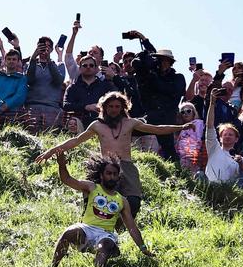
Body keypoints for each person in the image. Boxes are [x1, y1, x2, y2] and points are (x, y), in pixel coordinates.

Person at [35, 91, 189, 215]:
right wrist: (51, 151)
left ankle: (121, 227)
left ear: (123, 108)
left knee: (133, 201)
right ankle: (91, 225)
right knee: (94, 198)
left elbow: (157, 129)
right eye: (110, 106)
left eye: (117, 106)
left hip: (126, 165)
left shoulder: (130, 123)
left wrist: (181, 127)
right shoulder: (97, 125)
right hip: (105, 166)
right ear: (104, 108)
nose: (114, 109)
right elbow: (76, 140)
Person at [49, 152, 152, 267]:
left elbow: (132, 228)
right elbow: (67, 180)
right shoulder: (92, 187)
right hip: (86, 229)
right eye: (108, 173)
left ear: (118, 177)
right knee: (69, 232)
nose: (112, 177)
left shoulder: (122, 201)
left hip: (105, 234)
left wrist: (143, 248)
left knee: (106, 244)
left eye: (115, 174)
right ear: (102, 175)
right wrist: (62, 165)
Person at [127, 35, 186, 162]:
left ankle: (178, 174)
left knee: (169, 149)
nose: (163, 63)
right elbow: (143, 91)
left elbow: (170, 90)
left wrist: (152, 76)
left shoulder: (177, 78)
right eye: (160, 60)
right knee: (126, 129)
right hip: (151, 116)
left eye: (166, 60)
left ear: (170, 62)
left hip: (166, 118)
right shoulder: (151, 75)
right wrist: (142, 71)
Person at [203, 88, 243, 186]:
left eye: (231, 134)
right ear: (220, 138)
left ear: (236, 139)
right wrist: (212, 103)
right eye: (224, 134)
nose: (227, 136)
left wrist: (241, 164)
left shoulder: (240, 159)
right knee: (199, 175)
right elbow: (209, 126)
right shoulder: (214, 148)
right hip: (210, 187)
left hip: (227, 190)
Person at [63, 53, 117, 129]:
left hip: (102, 125)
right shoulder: (73, 87)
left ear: (96, 68)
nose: (88, 67)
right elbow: (66, 105)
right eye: (85, 65)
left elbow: (116, 101)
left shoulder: (105, 86)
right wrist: (85, 107)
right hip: (79, 127)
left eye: (91, 65)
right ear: (80, 68)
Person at [24, 36, 66, 129]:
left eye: (48, 46)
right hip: (32, 106)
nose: (45, 49)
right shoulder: (29, 64)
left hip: (52, 108)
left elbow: (58, 81)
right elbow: (29, 80)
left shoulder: (58, 66)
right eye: (42, 45)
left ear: (51, 50)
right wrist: (33, 59)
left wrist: (49, 61)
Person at [0, 49, 27, 115]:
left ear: (18, 61)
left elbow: (20, 96)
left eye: (14, 59)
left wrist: (5, 106)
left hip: (12, 114)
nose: (11, 61)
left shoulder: (21, 78)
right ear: (5, 60)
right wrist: (0, 103)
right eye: (9, 59)